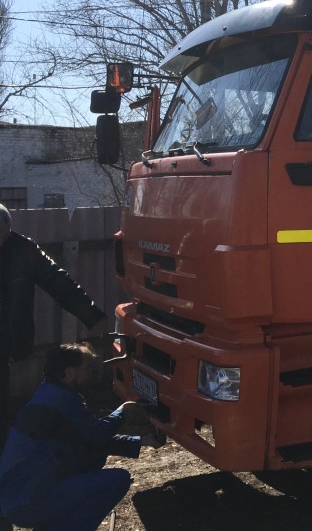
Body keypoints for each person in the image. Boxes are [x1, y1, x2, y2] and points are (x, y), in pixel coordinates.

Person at [0, 343, 162, 530]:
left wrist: (144, 441)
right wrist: (122, 411)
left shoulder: (48, 394)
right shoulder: (61, 402)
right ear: (69, 373)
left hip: (19, 498)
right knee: (117, 480)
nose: (92, 373)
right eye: (87, 368)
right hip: (28, 500)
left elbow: (89, 440)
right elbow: (99, 434)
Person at [0, 204, 106, 432]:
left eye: (4, 237)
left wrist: (91, 316)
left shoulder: (22, 249)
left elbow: (58, 282)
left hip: (6, 338)